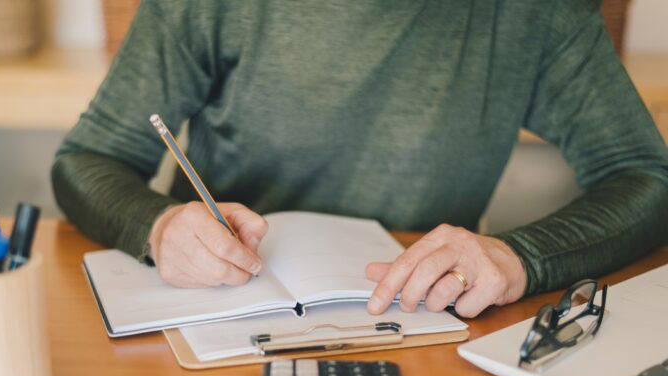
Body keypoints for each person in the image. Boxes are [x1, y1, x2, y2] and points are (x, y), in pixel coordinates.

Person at [52, 0, 668, 317]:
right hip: (222, 314)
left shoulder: (537, 13)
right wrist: (160, 229)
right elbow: (88, 159)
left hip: (426, 324)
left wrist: (520, 256)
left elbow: (647, 177)